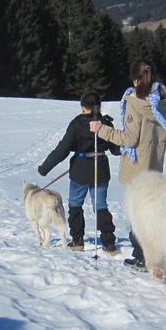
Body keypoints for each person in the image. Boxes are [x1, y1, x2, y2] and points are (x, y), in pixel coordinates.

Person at [89, 58, 166, 271]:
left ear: (137, 80)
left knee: (138, 218)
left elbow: (129, 139)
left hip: (138, 169)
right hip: (155, 167)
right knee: (153, 215)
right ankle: (154, 256)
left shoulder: (135, 102)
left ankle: (143, 257)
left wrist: (101, 129)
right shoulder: (164, 99)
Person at [38, 91, 121, 254]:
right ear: (99, 107)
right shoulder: (105, 124)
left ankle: (77, 240)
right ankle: (109, 243)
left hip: (80, 171)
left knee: (76, 204)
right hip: (101, 169)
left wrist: (45, 168)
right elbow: (116, 149)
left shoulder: (76, 126)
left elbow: (62, 150)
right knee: (101, 206)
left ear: (83, 108)